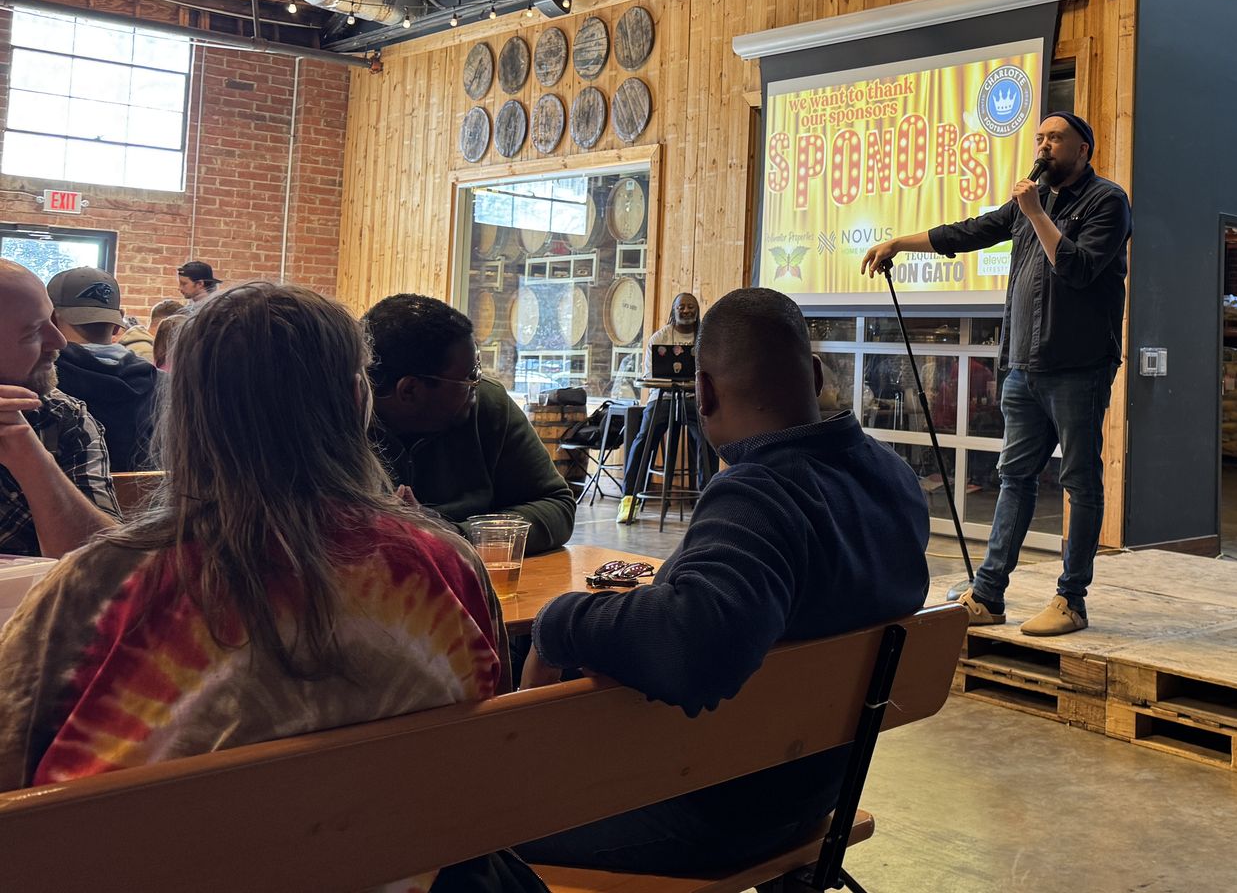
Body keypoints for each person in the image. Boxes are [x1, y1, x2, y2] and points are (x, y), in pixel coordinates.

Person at [0, 282, 541, 891]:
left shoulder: (97, 586)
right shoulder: (448, 565)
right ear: (358, 399)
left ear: (185, 412)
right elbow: (481, 743)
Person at [517, 287, 930, 875]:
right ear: (814, 376)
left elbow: (695, 644)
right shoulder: (891, 477)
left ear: (702, 391)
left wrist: (559, 622)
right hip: (819, 794)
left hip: (712, 814)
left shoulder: (760, 493)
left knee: (458, 822)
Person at [861, 110, 1130, 636]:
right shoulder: (1034, 202)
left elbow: (1074, 268)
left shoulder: (1107, 201)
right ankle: (988, 595)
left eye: (1057, 138)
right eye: (1041, 137)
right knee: (1013, 478)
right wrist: (899, 242)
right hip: (1023, 368)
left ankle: (1071, 599)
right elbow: (970, 232)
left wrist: (1034, 213)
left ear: (1084, 149)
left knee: (1080, 480)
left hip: (1078, 368)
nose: (1045, 145)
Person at [365, 294, 575, 553]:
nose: (478, 383)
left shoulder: (489, 406)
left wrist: (455, 535)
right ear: (409, 390)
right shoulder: (331, 422)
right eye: (469, 376)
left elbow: (556, 505)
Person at [0, 261, 120, 559]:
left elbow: (107, 569)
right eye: (31, 333)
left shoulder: (61, 418)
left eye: (52, 320)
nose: (60, 341)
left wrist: (29, 456)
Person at [46, 267, 159, 472]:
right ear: (118, 324)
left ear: (50, 319)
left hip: (59, 500)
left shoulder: (40, 381)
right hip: (145, 502)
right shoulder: (162, 384)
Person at [616, 292, 711, 523]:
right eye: (681, 307)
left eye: (691, 307)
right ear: (673, 310)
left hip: (693, 399)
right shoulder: (659, 338)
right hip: (663, 399)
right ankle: (629, 500)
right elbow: (650, 375)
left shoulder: (706, 338)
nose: (686, 310)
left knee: (708, 442)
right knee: (642, 440)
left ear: (697, 311)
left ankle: (707, 504)